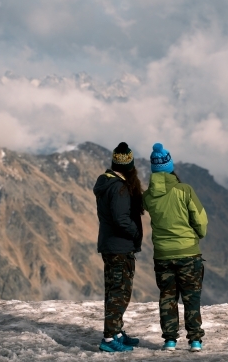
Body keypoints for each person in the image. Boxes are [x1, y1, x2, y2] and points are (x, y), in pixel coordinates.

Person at [143, 143, 208, 352]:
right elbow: (200, 220)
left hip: (162, 255)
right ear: (170, 165)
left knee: (167, 297)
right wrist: (196, 236)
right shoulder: (185, 190)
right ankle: (195, 340)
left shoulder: (148, 196)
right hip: (189, 253)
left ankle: (170, 340)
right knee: (191, 297)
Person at [93, 142, 144, 353]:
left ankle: (117, 332)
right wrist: (136, 232)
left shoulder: (107, 183)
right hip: (119, 247)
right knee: (119, 293)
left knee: (115, 290)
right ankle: (108, 338)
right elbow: (121, 219)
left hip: (111, 245)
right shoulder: (119, 188)